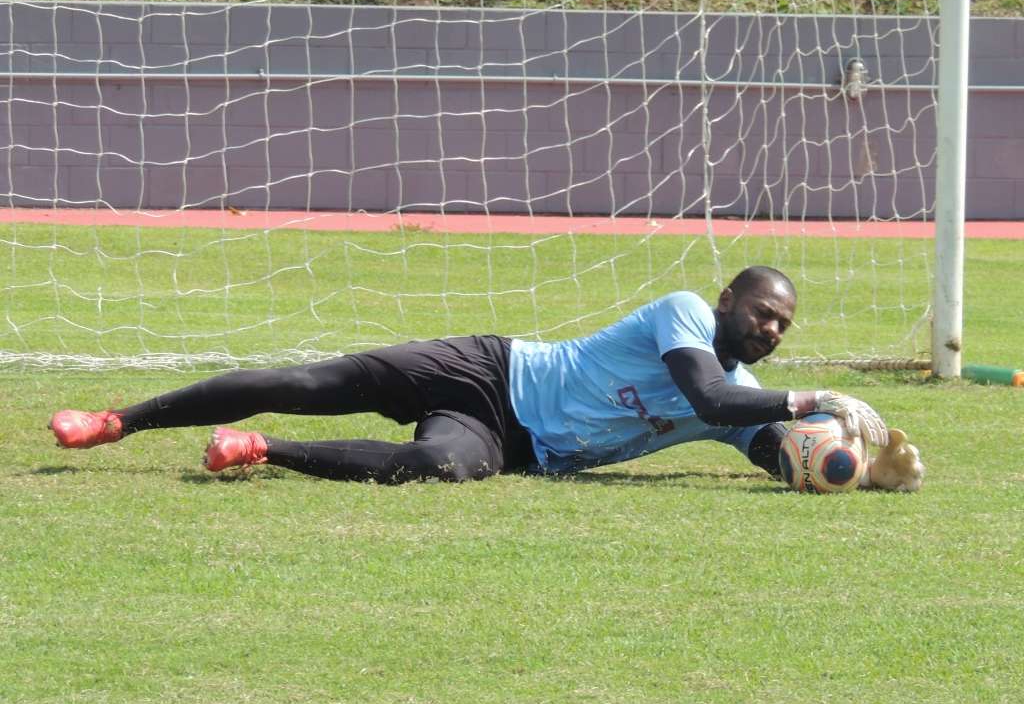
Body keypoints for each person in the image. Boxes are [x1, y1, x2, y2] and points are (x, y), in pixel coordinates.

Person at [48, 266, 923, 492]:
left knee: (436, 470)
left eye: (782, 326)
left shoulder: (748, 400)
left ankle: (260, 450)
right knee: (311, 378)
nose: (769, 329)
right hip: (493, 368)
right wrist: (813, 397)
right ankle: (116, 421)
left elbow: (777, 448)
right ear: (730, 297)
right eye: (762, 311)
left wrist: (867, 467)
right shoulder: (686, 312)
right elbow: (709, 396)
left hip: (516, 443)